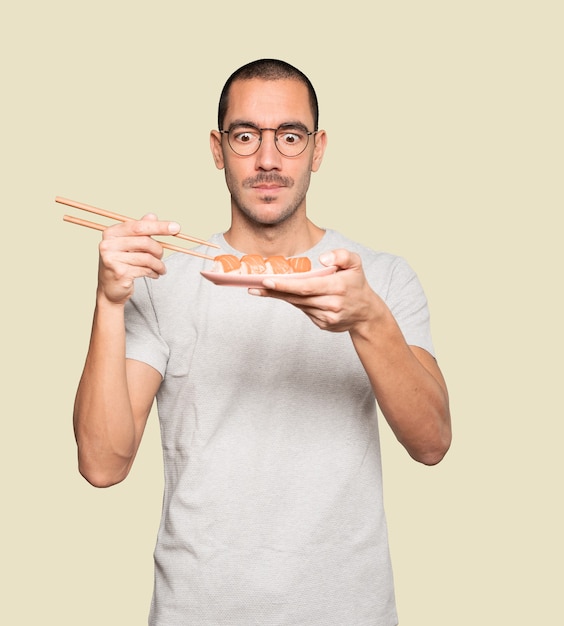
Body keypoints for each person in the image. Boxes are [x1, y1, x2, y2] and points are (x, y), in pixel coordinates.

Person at [73, 58, 451, 626]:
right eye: (246, 136)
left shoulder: (382, 277)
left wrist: (368, 318)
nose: (268, 159)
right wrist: (108, 300)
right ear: (218, 148)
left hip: (347, 610)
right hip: (196, 610)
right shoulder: (161, 283)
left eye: (290, 137)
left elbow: (432, 444)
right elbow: (102, 465)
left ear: (318, 150)